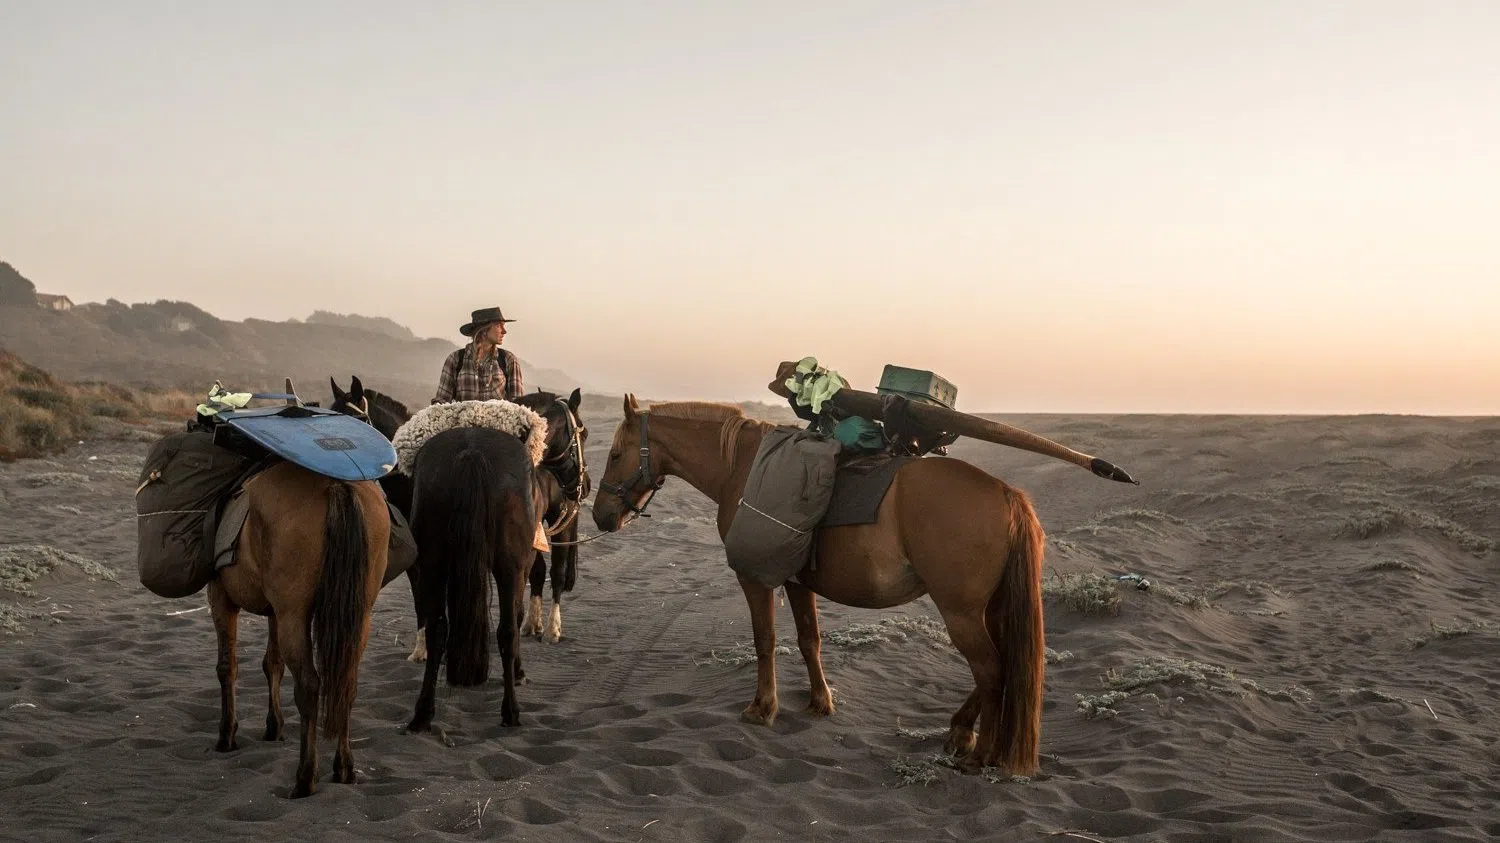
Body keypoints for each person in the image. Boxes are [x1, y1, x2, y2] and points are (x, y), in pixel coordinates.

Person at [432, 306, 526, 403]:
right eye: (498, 325)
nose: (504, 331)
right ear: (484, 330)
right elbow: (441, 402)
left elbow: (518, 404)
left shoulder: (508, 359)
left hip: (497, 418)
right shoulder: (455, 359)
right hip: (464, 418)